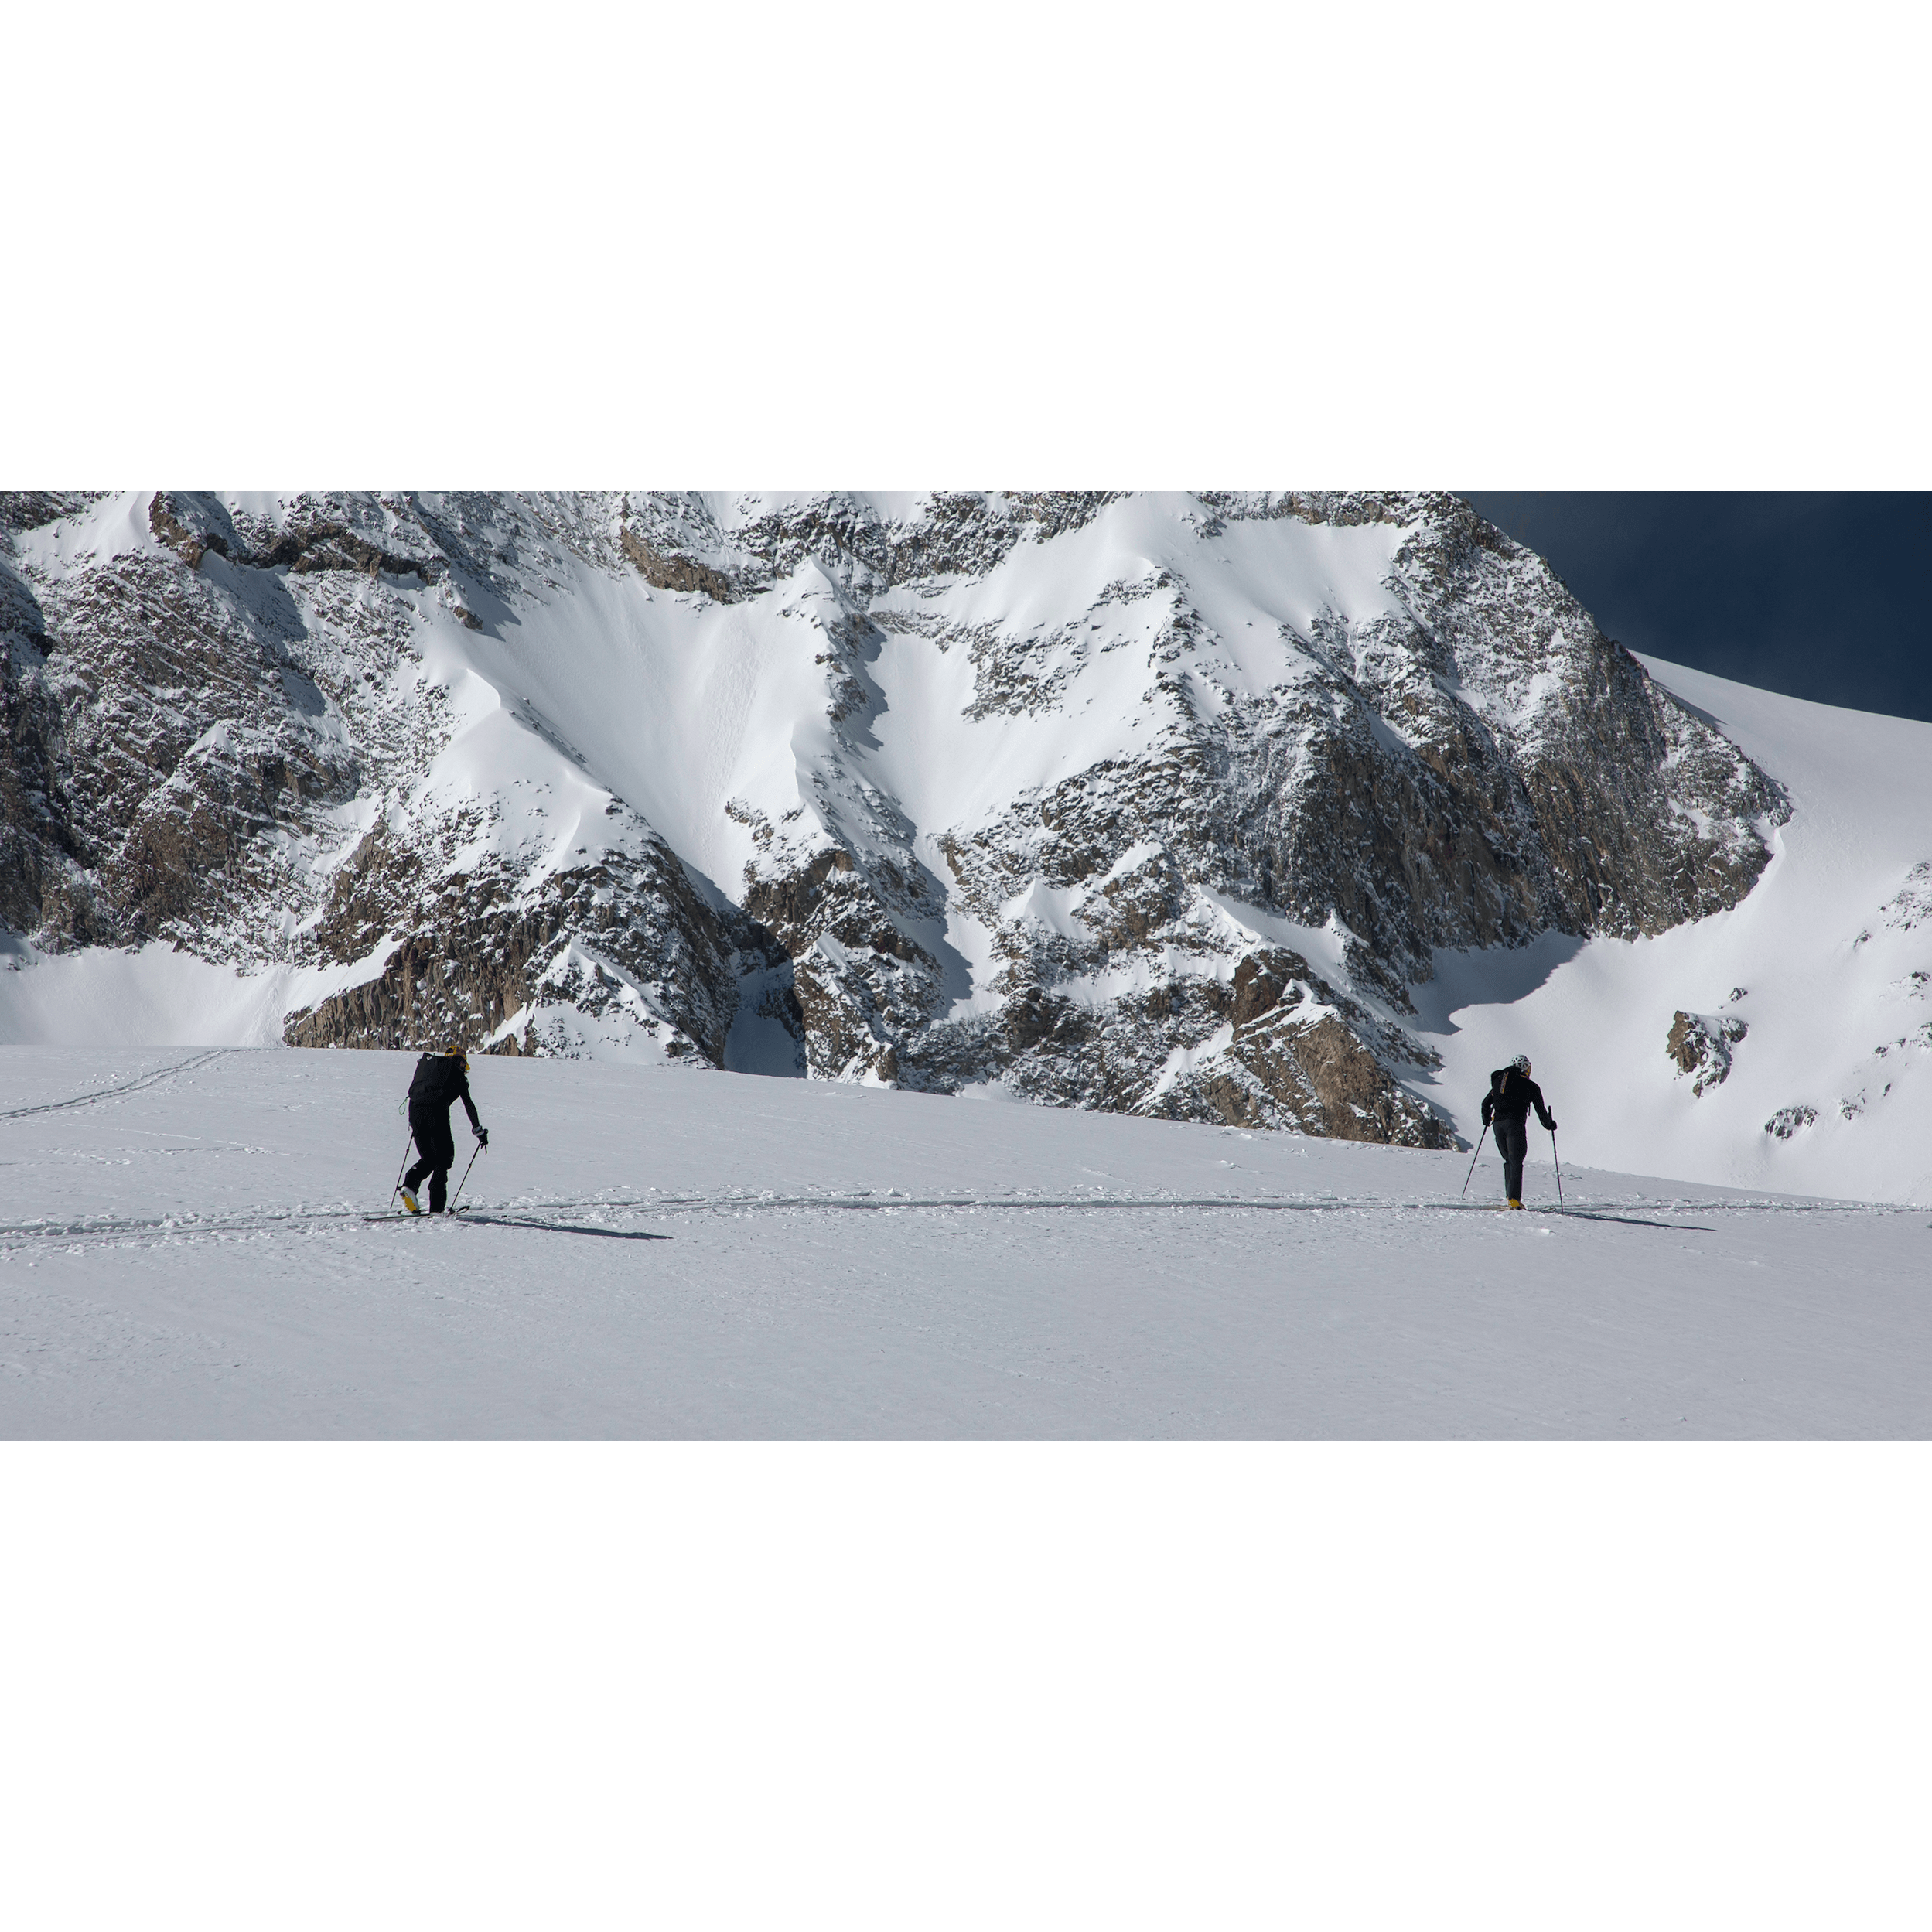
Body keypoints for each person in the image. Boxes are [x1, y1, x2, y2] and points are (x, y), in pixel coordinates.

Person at [400, 1048, 487, 1213]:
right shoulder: (458, 1077)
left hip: (415, 1112)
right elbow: (468, 1104)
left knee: (429, 1158)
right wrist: (478, 1130)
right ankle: (437, 1209)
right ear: (459, 1061)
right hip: (436, 1113)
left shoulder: (431, 1071)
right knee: (444, 1158)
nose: (463, 1066)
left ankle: (409, 1186)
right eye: (463, 1062)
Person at [1480, 1053, 1556, 1210]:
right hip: (1515, 1124)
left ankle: (1510, 1197)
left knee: (1508, 1160)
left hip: (1498, 1125)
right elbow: (1541, 1111)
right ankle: (1514, 1200)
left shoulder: (1500, 1081)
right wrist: (1550, 1125)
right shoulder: (1531, 1086)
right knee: (1516, 1160)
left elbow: (1485, 1103)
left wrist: (1487, 1120)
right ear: (1525, 1068)